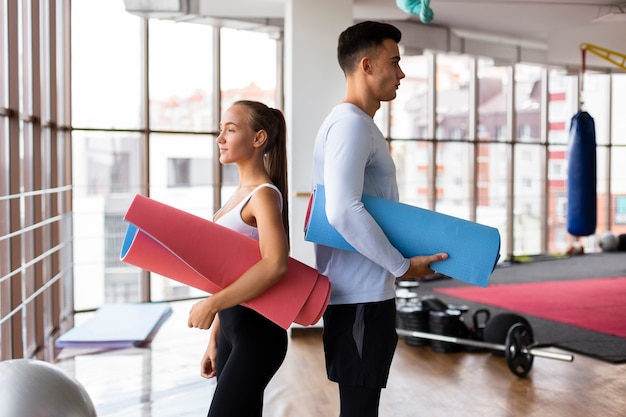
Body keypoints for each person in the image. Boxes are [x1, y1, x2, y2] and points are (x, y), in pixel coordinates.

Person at [311, 21, 449, 417]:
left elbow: (368, 208)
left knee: (362, 408)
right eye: (395, 62)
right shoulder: (351, 124)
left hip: (367, 296)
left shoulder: (359, 125)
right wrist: (402, 266)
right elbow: (342, 210)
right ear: (367, 66)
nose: (402, 73)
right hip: (360, 299)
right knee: (358, 410)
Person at [187, 100, 290, 417]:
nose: (220, 138)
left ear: (258, 138)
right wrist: (215, 339)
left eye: (230, 130)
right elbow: (229, 276)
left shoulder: (263, 195)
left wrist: (211, 304)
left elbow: (275, 264)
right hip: (234, 331)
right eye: (221, 129)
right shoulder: (238, 195)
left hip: (258, 335)